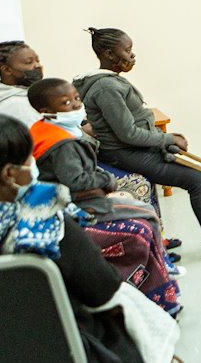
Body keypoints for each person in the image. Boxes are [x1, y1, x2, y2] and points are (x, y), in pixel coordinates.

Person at [0, 114, 153, 363]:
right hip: (66, 360)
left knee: (10, 329)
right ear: (9, 175)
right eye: (27, 159)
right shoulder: (44, 217)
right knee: (118, 319)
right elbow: (101, 289)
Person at [74, 27, 201, 259]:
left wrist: (161, 141)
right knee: (195, 179)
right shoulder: (106, 87)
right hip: (124, 152)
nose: (132, 56)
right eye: (127, 51)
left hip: (133, 149)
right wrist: (167, 138)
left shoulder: (109, 82)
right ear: (109, 54)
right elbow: (128, 133)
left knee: (198, 173)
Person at [27, 78, 180, 315]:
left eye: (77, 99)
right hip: (77, 206)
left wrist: (101, 177)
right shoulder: (61, 144)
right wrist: (107, 181)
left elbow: (85, 168)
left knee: (146, 211)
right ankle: (159, 291)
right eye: (67, 103)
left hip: (82, 198)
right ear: (46, 111)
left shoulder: (49, 129)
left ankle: (164, 266)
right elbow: (76, 181)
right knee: (143, 220)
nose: (77, 106)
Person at [0, 40, 44, 127]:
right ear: (7, 70)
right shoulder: (17, 106)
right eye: (29, 62)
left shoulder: (34, 95)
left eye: (37, 61)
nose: (37, 66)